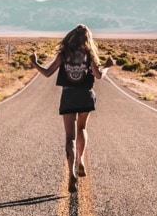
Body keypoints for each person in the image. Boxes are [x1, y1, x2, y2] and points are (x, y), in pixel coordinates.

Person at [30, 24, 114, 193]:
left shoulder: (64, 54)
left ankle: (72, 172)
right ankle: (81, 160)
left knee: (70, 136)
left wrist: (35, 63)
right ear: (87, 38)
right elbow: (98, 75)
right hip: (85, 95)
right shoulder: (89, 55)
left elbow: (47, 73)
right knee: (82, 128)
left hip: (69, 96)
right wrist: (107, 66)